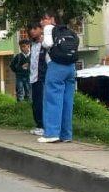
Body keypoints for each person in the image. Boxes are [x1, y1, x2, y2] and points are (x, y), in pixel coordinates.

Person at [38, 11, 79, 144]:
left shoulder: (49, 28)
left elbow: (48, 44)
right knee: (67, 101)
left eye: (44, 18)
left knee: (52, 99)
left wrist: (43, 40)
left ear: (52, 19)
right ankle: (66, 134)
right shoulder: (67, 30)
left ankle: (51, 133)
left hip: (56, 66)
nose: (42, 22)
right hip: (71, 67)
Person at [27, 22, 46, 136]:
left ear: (41, 29)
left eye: (35, 28)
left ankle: (43, 126)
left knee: (40, 102)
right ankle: (39, 125)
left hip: (42, 77)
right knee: (35, 102)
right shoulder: (32, 44)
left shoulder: (45, 43)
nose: (32, 31)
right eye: (30, 29)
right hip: (33, 77)